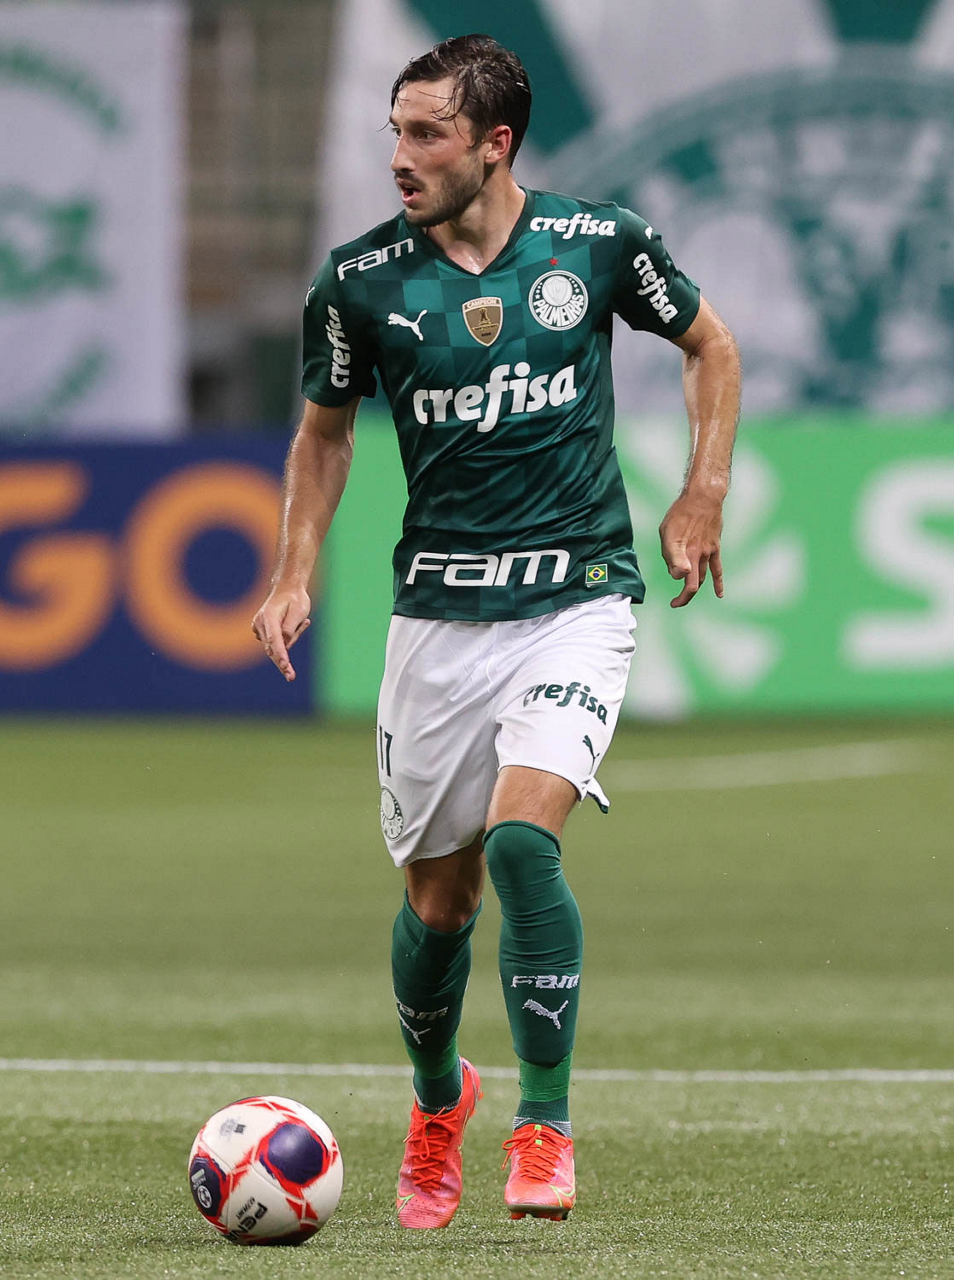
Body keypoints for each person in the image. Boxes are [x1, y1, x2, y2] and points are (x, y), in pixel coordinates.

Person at [252, 33, 740, 1229]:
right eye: (395, 131)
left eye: (426, 134)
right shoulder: (358, 282)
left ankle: (545, 1125)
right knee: (439, 904)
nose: (400, 156)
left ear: (494, 143)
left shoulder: (597, 243)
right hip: (439, 618)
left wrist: (703, 489)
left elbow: (711, 347)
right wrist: (295, 569)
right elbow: (325, 432)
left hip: (577, 597)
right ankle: (439, 1098)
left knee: (524, 844)